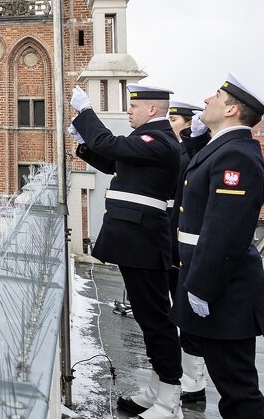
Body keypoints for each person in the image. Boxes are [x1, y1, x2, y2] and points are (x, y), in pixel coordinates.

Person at [69, 84, 184, 419]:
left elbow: (110, 144)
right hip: (137, 240)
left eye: (135, 107)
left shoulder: (158, 140)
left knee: (156, 320)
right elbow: (115, 163)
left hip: (144, 241)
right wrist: (81, 142)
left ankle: (170, 399)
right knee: (149, 320)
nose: (129, 111)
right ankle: (157, 390)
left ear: (151, 110)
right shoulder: (149, 142)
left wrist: (87, 112)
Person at [171, 73, 264, 419]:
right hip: (211, 281)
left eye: (215, 96)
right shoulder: (224, 148)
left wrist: (202, 287)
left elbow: (225, 231)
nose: (205, 100)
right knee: (227, 379)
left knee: (237, 389)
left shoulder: (238, 157)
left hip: (223, 289)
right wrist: (195, 139)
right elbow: (196, 177)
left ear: (231, 109)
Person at [165, 100, 209, 405]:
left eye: (174, 119)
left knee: (189, 314)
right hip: (173, 237)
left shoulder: (191, 151)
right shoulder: (179, 149)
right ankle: (189, 376)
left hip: (187, 241)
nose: (169, 124)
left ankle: (194, 382)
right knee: (179, 307)